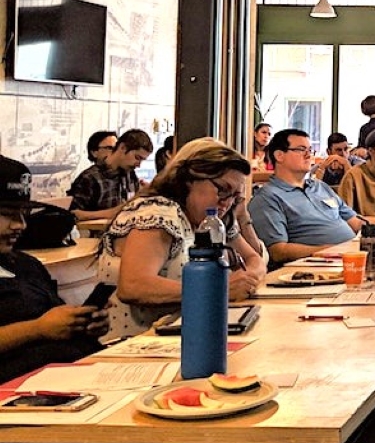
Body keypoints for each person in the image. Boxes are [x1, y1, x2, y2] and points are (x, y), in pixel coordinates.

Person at [0, 156, 107, 443]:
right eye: (8, 215)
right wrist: (36, 329)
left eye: (23, 215)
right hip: (23, 411)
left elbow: (54, 314)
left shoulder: (26, 265)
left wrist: (82, 321)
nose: (19, 226)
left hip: (80, 390)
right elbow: (40, 325)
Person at [97, 139, 266, 338]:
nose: (227, 202)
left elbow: (256, 259)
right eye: (222, 189)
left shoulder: (211, 218)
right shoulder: (157, 213)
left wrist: (247, 280)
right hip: (132, 346)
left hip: (179, 336)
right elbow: (133, 286)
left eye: (234, 197)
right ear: (188, 179)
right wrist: (219, 289)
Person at [248, 129, 367, 265]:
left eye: (310, 150)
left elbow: (355, 222)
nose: (308, 155)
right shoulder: (267, 198)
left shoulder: (320, 187)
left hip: (352, 257)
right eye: (301, 149)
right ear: (279, 155)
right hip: (316, 267)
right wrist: (327, 251)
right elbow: (278, 251)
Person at [67, 129, 153, 221]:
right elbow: (73, 213)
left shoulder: (130, 174)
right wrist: (113, 212)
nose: (139, 164)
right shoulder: (90, 178)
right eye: (137, 158)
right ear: (122, 147)